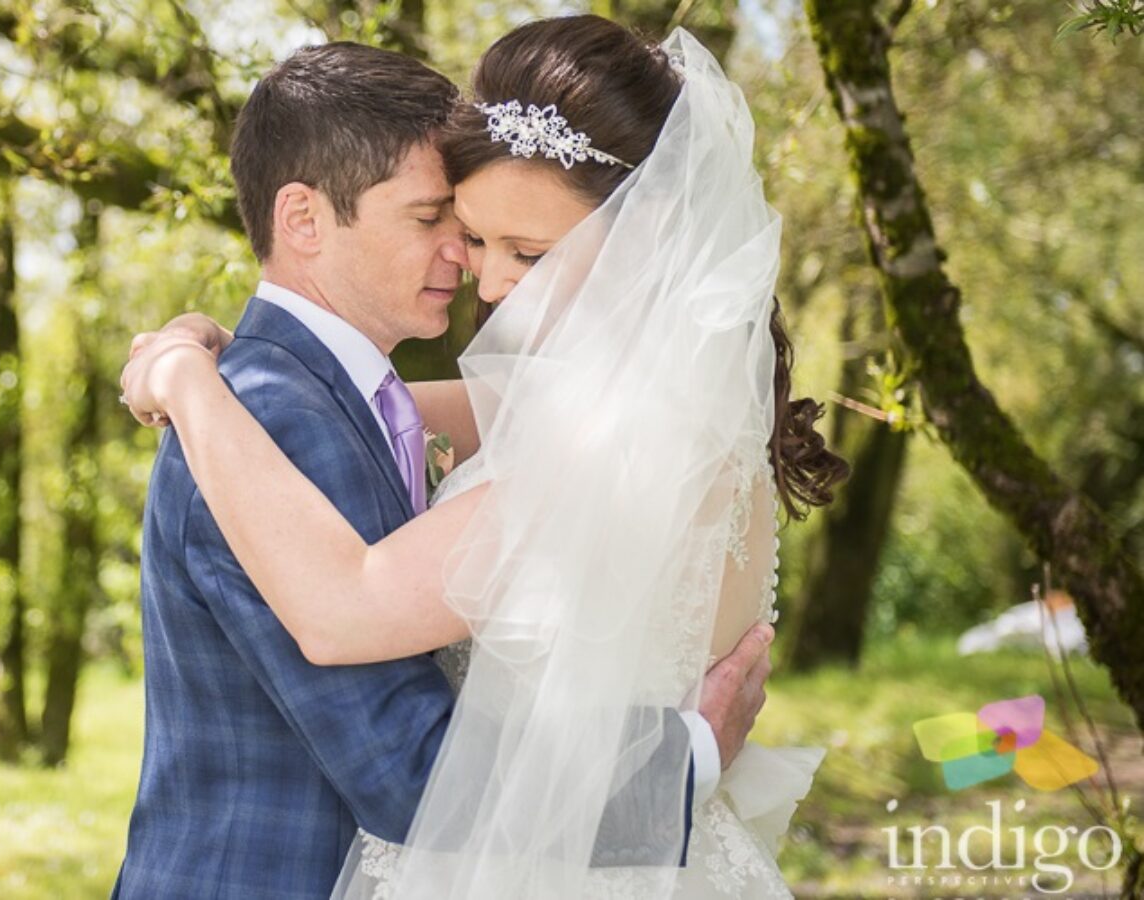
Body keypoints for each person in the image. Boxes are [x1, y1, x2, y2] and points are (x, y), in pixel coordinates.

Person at [118, 17, 848, 899]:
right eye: (458, 226)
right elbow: (371, 410)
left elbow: (348, 605)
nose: (483, 278)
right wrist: (211, 352)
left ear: (643, 236)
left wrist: (190, 379)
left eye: (524, 251)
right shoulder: (594, 405)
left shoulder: (610, 437)